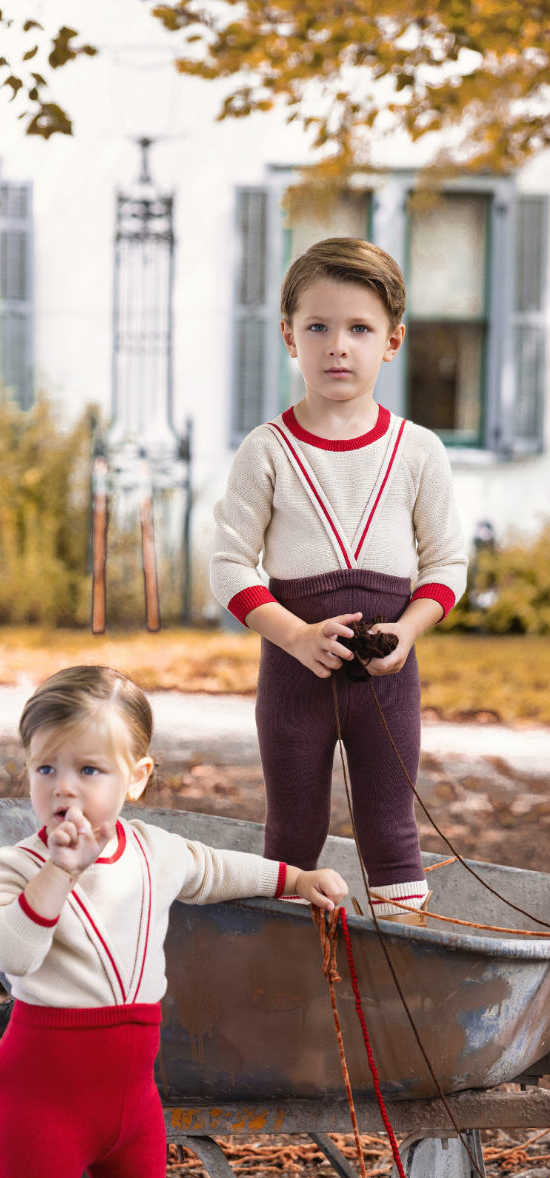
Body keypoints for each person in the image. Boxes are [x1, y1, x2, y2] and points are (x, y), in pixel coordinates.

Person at [0, 664, 348, 1178]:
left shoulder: (152, 851)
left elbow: (214, 869)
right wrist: (58, 877)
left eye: (89, 769)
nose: (64, 787)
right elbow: (8, 951)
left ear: (136, 777)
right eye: (46, 768)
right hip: (45, 1088)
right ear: (27, 772)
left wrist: (294, 879)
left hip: (130, 1089)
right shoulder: (10, 868)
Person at [210, 237, 468, 926]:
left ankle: (402, 973)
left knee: (392, 834)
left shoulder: (418, 452)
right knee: (292, 834)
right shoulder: (268, 450)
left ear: (392, 341)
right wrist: (295, 636)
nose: (337, 346)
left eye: (359, 328)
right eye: (318, 327)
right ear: (290, 336)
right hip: (294, 680)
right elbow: (230, 564)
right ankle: (284, 977)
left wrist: (408, 632)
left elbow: (446, 565)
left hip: (388, 680)